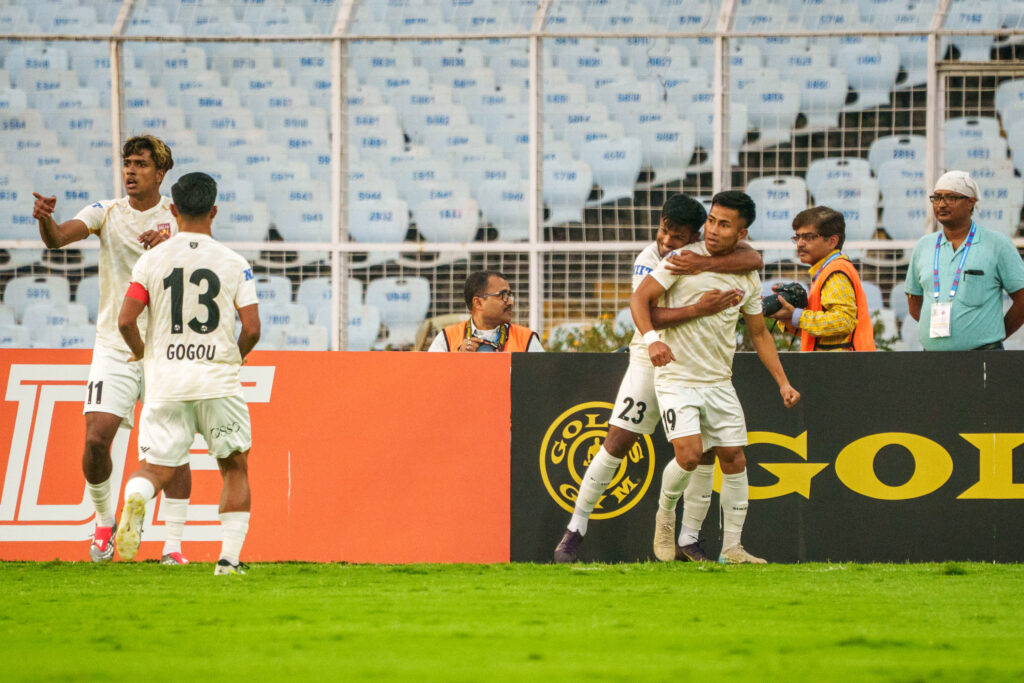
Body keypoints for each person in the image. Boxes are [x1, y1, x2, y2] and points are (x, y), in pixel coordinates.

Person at [554, 193, 764, 563]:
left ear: (696, 235)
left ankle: (688, 538)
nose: (668, 241)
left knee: (705, 452)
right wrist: (698, 308)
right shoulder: (653, 259)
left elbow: (754, 258)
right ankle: (575, 528)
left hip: (696, 366)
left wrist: (701, 264)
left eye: (678, 237)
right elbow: (646, 312)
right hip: (649, 356)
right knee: (618, 439)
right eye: (665, 231)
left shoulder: (701, 255)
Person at [32, 134, 193, 565]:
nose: (130, 171)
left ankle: (173, 547)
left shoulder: (178, 221)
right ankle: (104, 524)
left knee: (172, 446)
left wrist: (174, 247)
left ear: (160, 174)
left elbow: (201, 263)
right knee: (96, 439)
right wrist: (45, 220)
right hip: (115, 343)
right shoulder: (106, 212)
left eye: (141, 164)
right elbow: (57, 239)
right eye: (127, 163)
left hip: (164, 347)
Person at [631, 190, 801, 564]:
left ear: (741, 234)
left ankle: (733, 548)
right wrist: (652, 340)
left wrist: (783, 382)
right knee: (690, 457)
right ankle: (665, 515)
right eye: (711, 220)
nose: (712, 230)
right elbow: (639, 300)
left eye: (724, 224)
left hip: (719, 382)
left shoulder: (747, 275)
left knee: (735, 458)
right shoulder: (680, 259)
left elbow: (758, 333)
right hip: (676, 377)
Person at [114, 172, 260, 576]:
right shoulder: (234, 263)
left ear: (173, 210)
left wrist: (147, 358)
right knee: (233, 466)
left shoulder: (151, 260)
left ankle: (137, 495)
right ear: (214, 211)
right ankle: (228, 561)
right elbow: (251, 329)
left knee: (157, 469)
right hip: (217, 382)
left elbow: (126, 320)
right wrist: (235, 358)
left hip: (167, 384)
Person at [905, 171, 1024, 350]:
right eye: (936, 198)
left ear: (971, 202)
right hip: (932, 359)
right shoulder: (924, 246)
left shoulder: (997, 244)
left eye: (951, 197)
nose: (941, 204)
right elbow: (914, 303)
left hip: (984, 357)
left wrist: (993, 334)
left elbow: (1022, 300)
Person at [767, 206, 877, 351]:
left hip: (844, 368)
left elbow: (843, 322)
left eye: (808, 237)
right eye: (797, 237)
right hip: (838, 366)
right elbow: (821, 333)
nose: (800, 243)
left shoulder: (836, 272)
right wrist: (787, 316)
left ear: (832, 241)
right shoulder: (827, 271)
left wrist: (796, 315)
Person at [427, 270, 544, 352]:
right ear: (478, 303)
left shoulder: (525, 338)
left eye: (509, 295)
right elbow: (432, 382)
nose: (510, 302)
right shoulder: (447, 338)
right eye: (502, 295)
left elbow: (544, 381)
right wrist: (457, 361)